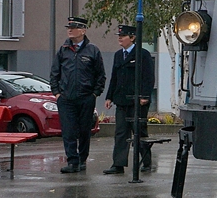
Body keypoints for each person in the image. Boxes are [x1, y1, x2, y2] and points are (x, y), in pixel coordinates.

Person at [49, 16, 106, 173]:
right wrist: (57, 93)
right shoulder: (63, 50)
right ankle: (72, 161)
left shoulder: (92, 50)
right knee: (68, 131)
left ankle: (82, 160)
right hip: (66, 98)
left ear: (83, 30)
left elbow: (100, 75)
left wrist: (95, 94)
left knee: (84, 131)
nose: (69, 30)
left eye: (73, 27)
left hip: (85, 97)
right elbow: (55, 74)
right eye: (68, 27)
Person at [103, 24, 156, 174]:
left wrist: (145, 96)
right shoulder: (118, 55)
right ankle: (118, 164)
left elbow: (149, 77)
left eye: (123, 36)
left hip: (137, 101)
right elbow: (114, 77)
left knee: (139, 131)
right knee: (120, 133)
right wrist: (109, 97)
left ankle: (146, 161)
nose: (120, 38)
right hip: (121, 100)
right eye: (119, 36)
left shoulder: (142, 54)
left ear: (132, 38)